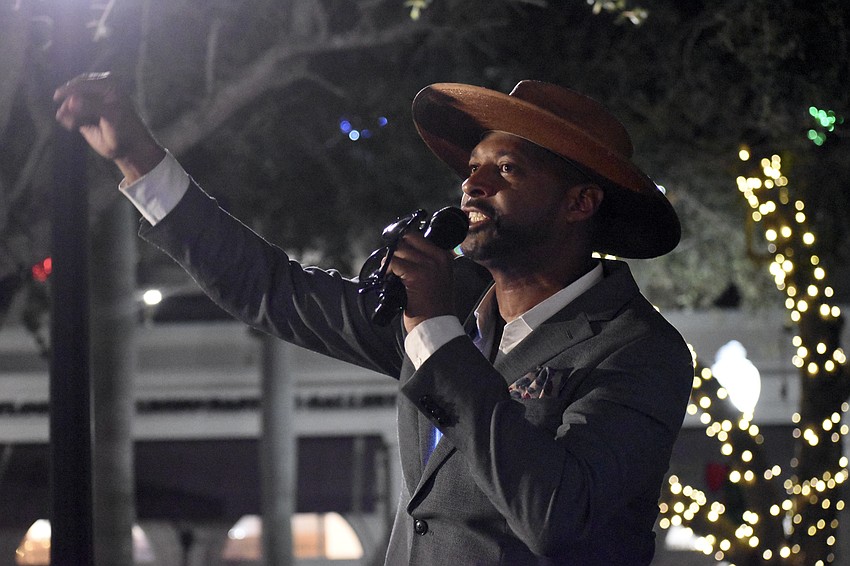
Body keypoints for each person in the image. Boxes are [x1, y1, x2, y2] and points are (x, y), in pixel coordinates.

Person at [54, 74, 694, 565]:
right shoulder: (447, 316)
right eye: (471, 168)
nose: (472, 186)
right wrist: (139, 160)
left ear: (580, 202)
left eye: (506, 169)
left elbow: (559, 515)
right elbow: (272, 288)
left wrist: (436, 333)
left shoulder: (636, 349)